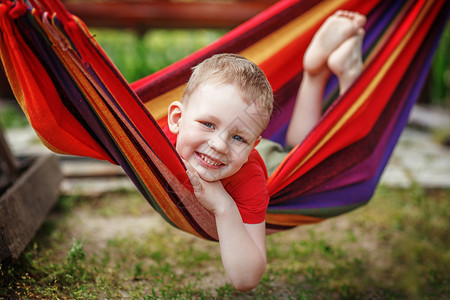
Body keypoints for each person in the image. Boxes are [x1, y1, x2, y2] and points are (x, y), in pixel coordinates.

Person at [165, 10, 366, 291]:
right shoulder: (153, 141)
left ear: (252, 145)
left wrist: (223, 206)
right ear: (176, 120)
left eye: (237, 138)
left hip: (277, 169)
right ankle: (315, 70)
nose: (219, 144)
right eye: (208, 124)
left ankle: (348, 75)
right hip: (260, 153)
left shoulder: (249, 181)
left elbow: (246, 278)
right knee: (299, 144)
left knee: (334, 160)